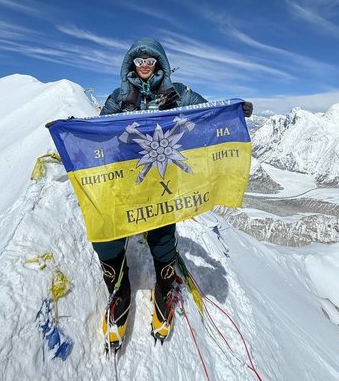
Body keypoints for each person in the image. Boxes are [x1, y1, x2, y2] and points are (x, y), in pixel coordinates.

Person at [95, 37, 252, 350]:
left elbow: (207, 112)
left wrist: (232, 111)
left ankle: (164, 291)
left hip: (163, 182)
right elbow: (99, 133)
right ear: (130, 65)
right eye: (138, 61)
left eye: (150, 61)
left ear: (159, 64)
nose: (144, 67)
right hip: (128, 183)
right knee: (106, 234)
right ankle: (119, 293)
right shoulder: (118, 97)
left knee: (162, 237)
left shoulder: (178, 93)